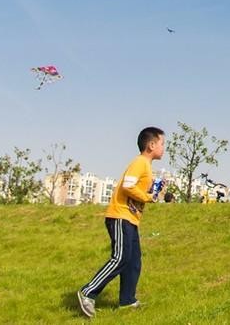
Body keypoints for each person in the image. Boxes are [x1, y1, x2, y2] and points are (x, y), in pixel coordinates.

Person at [77, 127, 165, 318]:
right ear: (151, 145)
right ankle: (87, 292)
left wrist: (153, 192)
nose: (163, 148)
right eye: (162, 143)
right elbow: (127, 186)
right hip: (120, 216)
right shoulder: (140, 162)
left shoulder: (147, 167)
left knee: (133, 262)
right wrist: (148, 197)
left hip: (131, 219)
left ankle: (127, 301)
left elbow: (137, 190)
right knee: (120, 257)